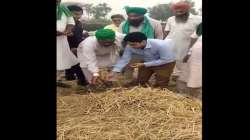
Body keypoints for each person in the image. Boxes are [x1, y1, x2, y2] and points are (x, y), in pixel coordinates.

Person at [108, 32, 176, 88]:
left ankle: (159, 94)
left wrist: (144, 64)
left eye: (133, 45)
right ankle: (143, 94)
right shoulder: (130, 46)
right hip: (146, 61)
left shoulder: (161, 45)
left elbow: (165, 60)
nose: (131, 47)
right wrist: (115, 71)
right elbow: (124, 59)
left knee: (161, 81)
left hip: (165, 63)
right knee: (141, 80)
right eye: (129, 44)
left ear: (143, 41)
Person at [118, 6, 164, 83]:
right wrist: (122, 50)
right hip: (130, 52)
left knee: (148, 68)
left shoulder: (154, 23)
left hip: (149, 51)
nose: (132, 18)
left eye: (135, 16)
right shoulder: (123, 25)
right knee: (128, 68)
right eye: (130, 16)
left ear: (142, 15)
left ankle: (147, 84)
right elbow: (120, 39)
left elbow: (159, 38)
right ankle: (127, 83)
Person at [164, 2, 201, 80]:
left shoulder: (198, 19)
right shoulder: (171, 19)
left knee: (186, 61)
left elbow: (198, 34)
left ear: (187, 10)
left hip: (188, 45)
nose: (178, 13)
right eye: (176, 11)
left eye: (181, 11)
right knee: (172, 61)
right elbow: (167, 31)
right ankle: (175, 76)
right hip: (172, 44)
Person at [62, 5, 89, 86]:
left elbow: (78, 36)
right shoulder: (63, 24)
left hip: (76, 46)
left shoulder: (79, 24)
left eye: (80, 14)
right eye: (75, 14)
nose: (78, 16)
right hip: (65, 46)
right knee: (77, 64)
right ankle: (82, 81)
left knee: (75, 62)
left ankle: (69, 76)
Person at [57, 0, 78, 87]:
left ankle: (57, 80)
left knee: (60, 60)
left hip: (61, 38)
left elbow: (71, 22)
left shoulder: (64, 8)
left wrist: (66, 31)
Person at [178, 23, 202, 98]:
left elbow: (194, 37)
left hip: (197, 49)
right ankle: (192, 96)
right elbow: (194, 37)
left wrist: (189, 52)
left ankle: (188, 94)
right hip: (198, 50)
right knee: (195, 73)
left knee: (193, 72)